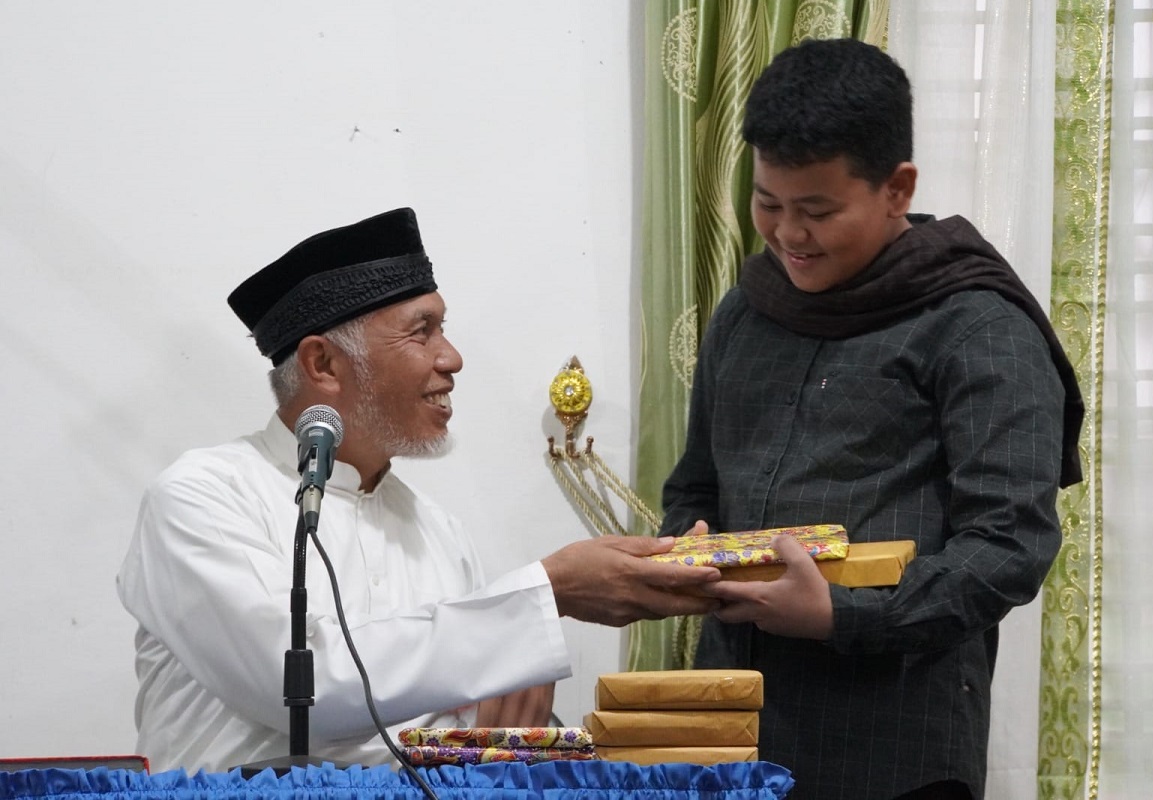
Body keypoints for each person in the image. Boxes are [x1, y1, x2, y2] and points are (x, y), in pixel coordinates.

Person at [116, 207, 721, 774]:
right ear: (323, 364)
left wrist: (515, 707)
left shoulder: (435, 530)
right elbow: (302, 691)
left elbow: (460, 733)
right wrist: (543, 596)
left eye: (442, 329)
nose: (451, 359)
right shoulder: (202, 497)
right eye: (421, 332)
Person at [659, 39, 1084, 800]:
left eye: (818, 211)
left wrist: (840, 615)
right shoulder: (747, 311)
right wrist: (687, 548)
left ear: (897, 188)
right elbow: (695, 487)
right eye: (768, 203)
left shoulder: (978, 327)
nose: (788, 235)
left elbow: (1009, 546)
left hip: (895, 751)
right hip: (727, 737)